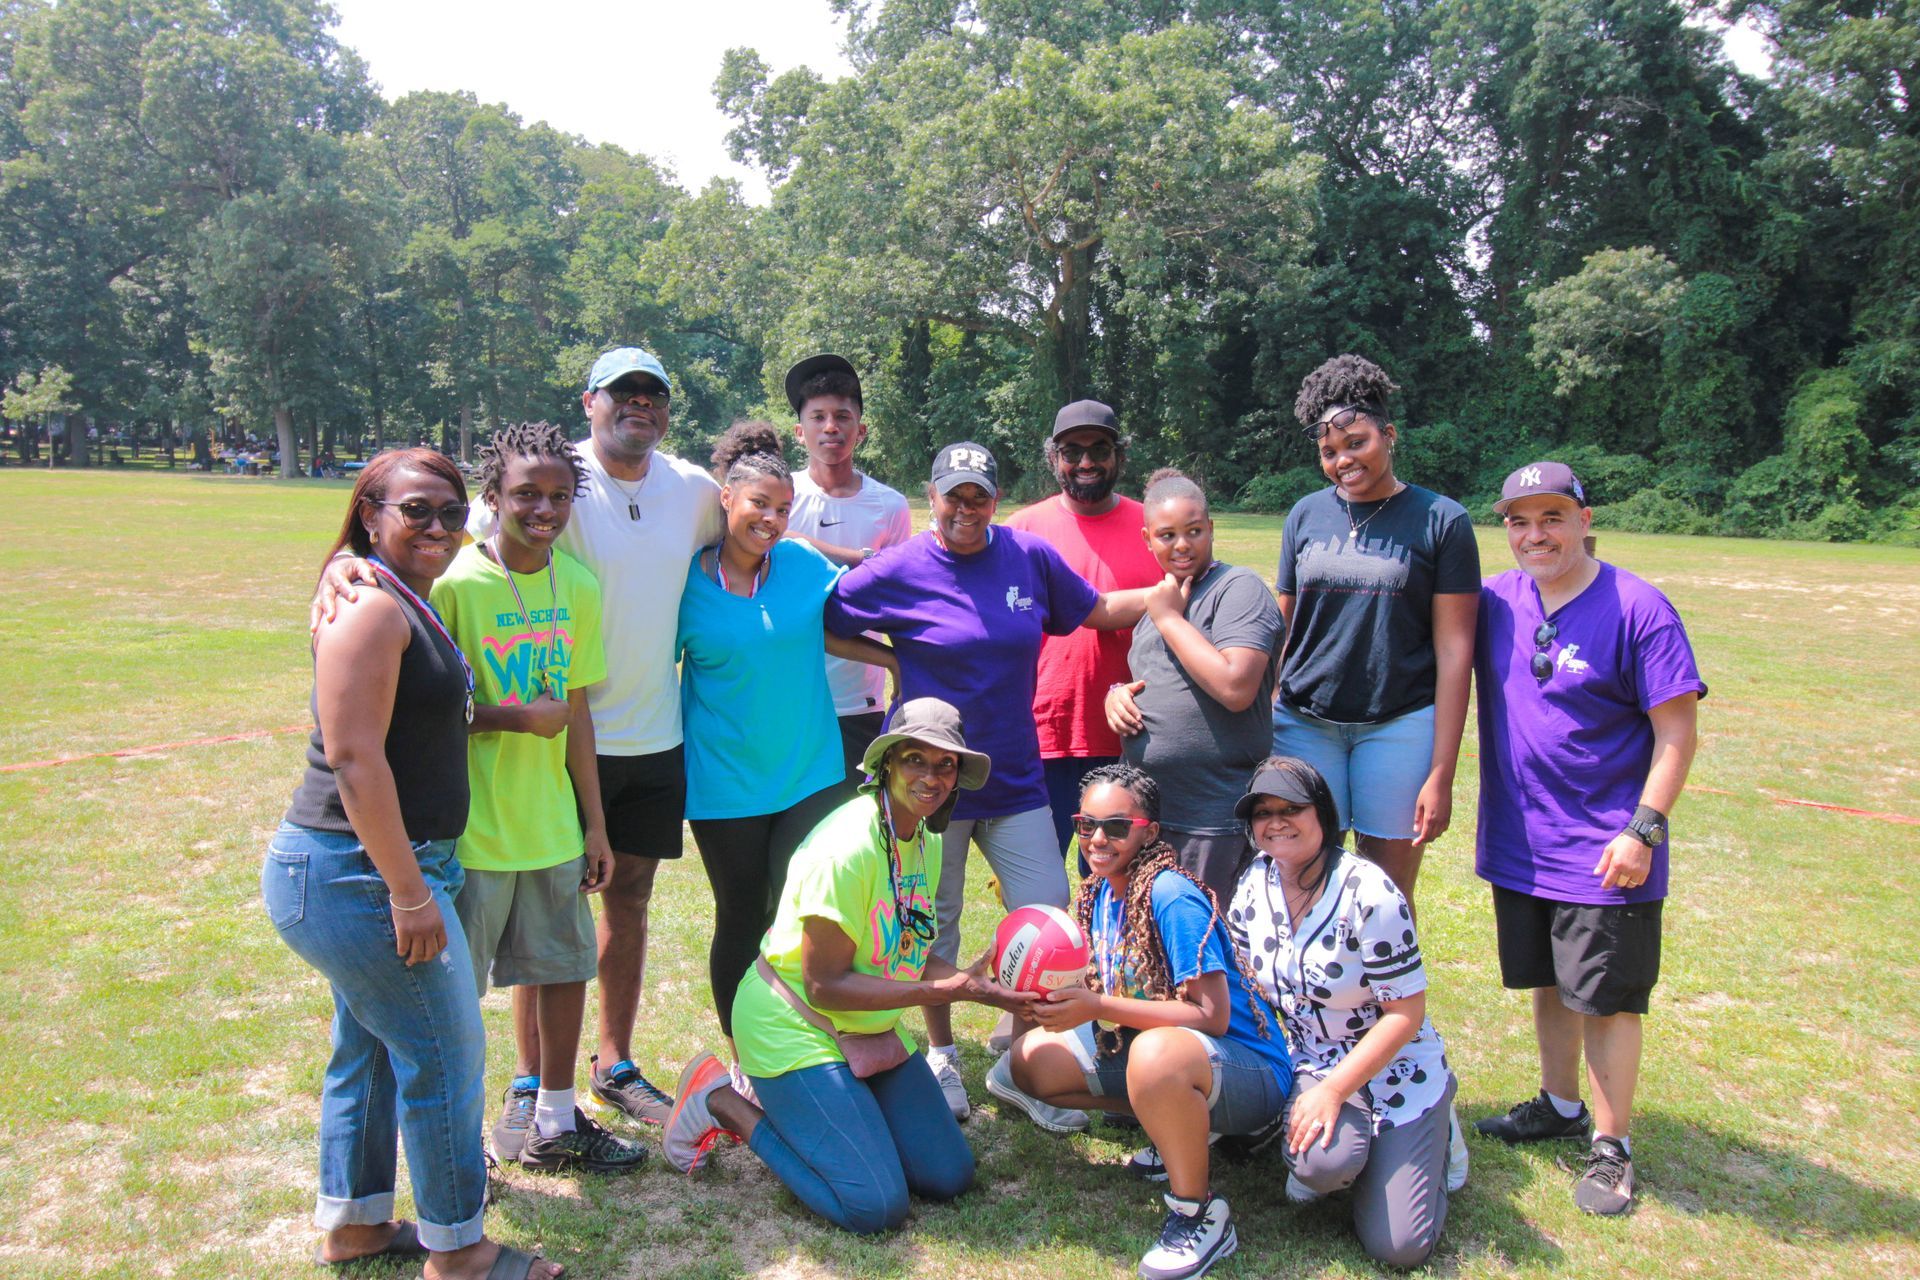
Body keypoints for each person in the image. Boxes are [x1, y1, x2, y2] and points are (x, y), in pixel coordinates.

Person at [317, 347, 723, 1125]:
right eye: (622, 392)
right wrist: (346, 564)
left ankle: (610, 1067)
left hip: (645, 740)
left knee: (616, 909)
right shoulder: (519, 513)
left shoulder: (691, 489)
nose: (640, 404)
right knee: (507, 940)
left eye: (654, 394)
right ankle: (526, 1087)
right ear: (590, 402)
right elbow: (426, 549)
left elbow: (762, 520)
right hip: (524, 778)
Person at [265, 449, 561, 1280]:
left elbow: (427, 720)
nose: (437, 526)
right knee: (443, 1057)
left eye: (451, 511)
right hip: (358, 872)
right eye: (415, 510)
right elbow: (357, 760)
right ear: (371, 513)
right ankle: (459, 1251)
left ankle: (356, 1227)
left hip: (366, 869)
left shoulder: (396, 595)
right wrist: (407, 891)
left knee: (365, 1050)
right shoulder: (369, 608)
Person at [823, 441, 1150, 1127]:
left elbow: (1096, 610)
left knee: (1049, 916)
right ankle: (941, 1057)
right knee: (930, 927)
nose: (965, 508)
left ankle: (1026, 1064)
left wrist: (1179, 587)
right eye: (953, 495)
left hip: (1014, 776)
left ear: (995, 499)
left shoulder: (1025, 557)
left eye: (979, 495)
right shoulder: (902, 566)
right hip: (929, 786)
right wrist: (892, 658)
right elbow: (829, 619)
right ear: (931, 496)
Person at [657, 700, 1036, 1233]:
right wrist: (944, 992)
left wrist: (979, 986)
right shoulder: (847, 848)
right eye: (915, 760)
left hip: (867, 1026)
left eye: (944, 764)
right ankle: (720, 1100)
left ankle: (849, 1114)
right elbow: (824, 984)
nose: (930, 777)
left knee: (948, 1175)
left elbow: (909, 944)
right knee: (874, 1206)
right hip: (793, 1023)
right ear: (886, 764)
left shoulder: (921, 838)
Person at [1471, 461, 1704, 1217]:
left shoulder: (1639, 607)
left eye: (1551, 518)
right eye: (1518, 521)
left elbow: (1677, 733)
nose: (1534, 534)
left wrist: (1643, 830)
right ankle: (1559, 1103)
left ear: (1582, 517)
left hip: (1606, 849)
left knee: (1607, 999)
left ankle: (1611, 1148)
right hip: (1522, 842)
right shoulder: (1498, 602)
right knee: (1552, 982)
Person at [430, 423, 645, 1175]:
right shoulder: (455, 585)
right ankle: (454, 1148)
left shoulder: (576, 586)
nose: (542, 508)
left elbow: (577, 717)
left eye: (558, 496)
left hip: (552, 827)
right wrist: (511, 718)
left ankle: (556, 1121)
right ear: (492, 497)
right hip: (473, 831)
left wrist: (594, 825)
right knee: (451, 1002)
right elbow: (425, 713)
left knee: (562, 971)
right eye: (525, 494)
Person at [1010, 765, 1288, 1280]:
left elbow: (1211, 1015)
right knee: (1029, 1064)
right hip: (1180, 1057)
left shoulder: (1169, 894)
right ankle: (1178, 1129)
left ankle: (1199, 1214)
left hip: (1252, 1070)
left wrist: (1098, 1008)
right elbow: (1106, 983)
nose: (1097, 838)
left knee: (1153, 1055)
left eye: (1116, 826)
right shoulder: (1098, 893)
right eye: (1085, 823)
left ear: (1149, 832)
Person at [681, 421, 898, 1063]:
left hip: (809, 772)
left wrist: (893, 662)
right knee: (742, 916)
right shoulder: (686, 582)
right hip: (725, 784)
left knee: (803, 911)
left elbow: (830, 627)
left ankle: (814, 1039)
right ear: (727, 499)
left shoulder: (803, 565)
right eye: (759, 505)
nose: (771, 519)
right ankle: (746, 1052)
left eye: (782, 508)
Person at [1228, 757, 1459, 1269]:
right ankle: (1358, 1156)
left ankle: (1438, 1132)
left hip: (1397, 1064)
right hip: (1313, 1057)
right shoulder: (1254, 882)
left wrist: (1335, 1093)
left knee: (1399, 1249)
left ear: (1324, 815)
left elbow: (1407, 1012)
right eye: (1263, 812)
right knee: (1322, 1162)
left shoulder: (1369, 892)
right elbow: (1241, 983)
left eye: (1292, 808)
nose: (1276, 821)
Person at [1272, 354, 1479, 903]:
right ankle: (1304, 990)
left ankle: (1382, 994)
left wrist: (1441, 771)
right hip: (1303, 723)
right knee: (1302, 880)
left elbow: (1456, 650)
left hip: (1399, 725)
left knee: (1386, 896)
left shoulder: (1442, 520)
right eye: (1329, 452)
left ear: (1388, 434)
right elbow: (1282, 627)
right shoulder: (1304, 515)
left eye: (1357, 443)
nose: (1344, 461)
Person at [1106, 469, 1282, 903]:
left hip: (1211, 817)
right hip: (1149, 817)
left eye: (1194, 531)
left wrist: (1168, 617)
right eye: (1167, 535)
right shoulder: (1160, 602)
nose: (1181, 545)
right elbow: (1158, 677)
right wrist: (1117, 694)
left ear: (1211, 529)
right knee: (1149, 946)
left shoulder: (1236, 589)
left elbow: (1236, 686)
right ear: (1147, 539)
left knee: (1203, 945)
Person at [1005, 400, 1162, 858]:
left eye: (1100, 449)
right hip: (1044, 734)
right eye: (1072, 451)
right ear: (1053, 458)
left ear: (1120, 455)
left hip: (1133, 736)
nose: (1087, 462)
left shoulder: (1153, 527)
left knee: (1118, 879)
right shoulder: (1021, 531)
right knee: (1038, 882)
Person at [780, 355, 914, 791]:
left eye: (843, 416)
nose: (830, 427)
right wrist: (858, 557)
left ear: (861, 429)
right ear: (799, 431)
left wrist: (899, 664)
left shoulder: (889, 505)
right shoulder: (780, 496)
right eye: (817, 417)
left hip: (860, 700)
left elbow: (897, 599)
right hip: (786, 694)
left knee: (859, 824)